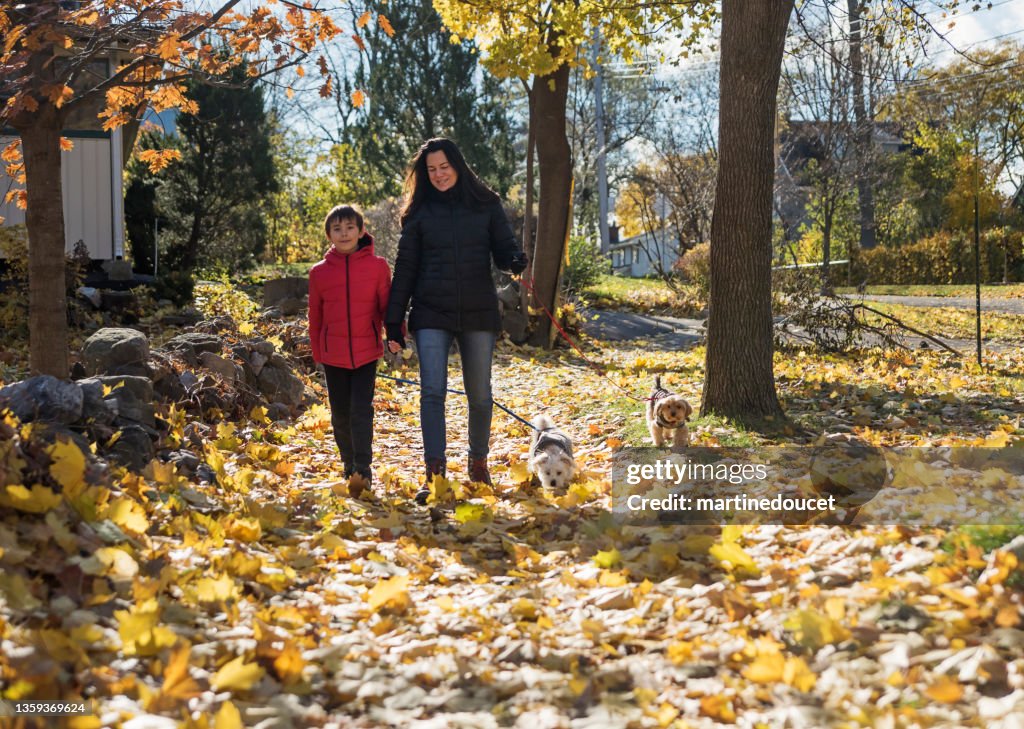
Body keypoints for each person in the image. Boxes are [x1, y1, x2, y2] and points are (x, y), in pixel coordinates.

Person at [385, 138, 528, 504]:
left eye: (444, 167)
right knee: (432, 391)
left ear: (458, 165)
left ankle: (478, 464)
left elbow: (502, 250)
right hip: (431, 311)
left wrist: (514, 259)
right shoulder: (419, 212)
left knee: (480, 395)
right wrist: (393, 318)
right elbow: (405, 268)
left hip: (478, 309)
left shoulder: (486, 204)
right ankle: (435, 473)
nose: (438, 175)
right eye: (431, 170)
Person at [308, 204, 392, 487]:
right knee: (340, 412)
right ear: (329, 235)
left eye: (349, 227)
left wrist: (394, 334)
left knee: (361, 409)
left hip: (367, 351)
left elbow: (386, 308)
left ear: (360, 231)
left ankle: (363, 466)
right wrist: (317, 352)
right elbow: (315, 315)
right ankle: (348, 463)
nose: (344, 233)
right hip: (333, 354)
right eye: (337, 229)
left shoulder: (378, 266)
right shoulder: (319, 273)